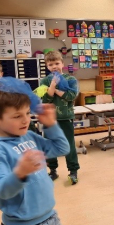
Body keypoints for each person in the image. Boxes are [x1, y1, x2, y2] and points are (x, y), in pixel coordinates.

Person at [0, 87, 70, 225]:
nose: (26, 120)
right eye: (17, 116)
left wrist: (51, 125)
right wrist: (20, 173)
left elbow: (62, 149)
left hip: (51, 218)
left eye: (27, 113)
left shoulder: (29, 136)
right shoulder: (1, 149)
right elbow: (2, 191)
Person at [40, 51, 80, 185]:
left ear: (62, 63)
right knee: (50, 145)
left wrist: (55, 89)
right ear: (47, 66)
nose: (54, 66)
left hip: (65, 117)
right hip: (49, 119)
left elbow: (71, 96)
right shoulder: (45, 81)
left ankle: (73, 171)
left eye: (57, 63)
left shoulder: (71, 79)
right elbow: (45, 99)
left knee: (69, 145)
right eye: (51, 64)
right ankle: (52, 170)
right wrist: (51, 86)